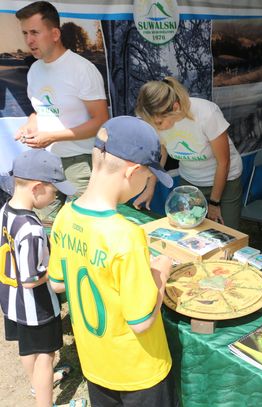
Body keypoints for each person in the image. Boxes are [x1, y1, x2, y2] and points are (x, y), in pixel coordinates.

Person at [48, 116, 178, 406]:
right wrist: (161, 273)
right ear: (132, 171)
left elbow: (57, 283)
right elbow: (142, 321)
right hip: (140, 370)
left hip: (96, 364)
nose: (147, 182)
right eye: (148, 175)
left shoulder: (65, 215)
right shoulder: (126, 235)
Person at [14, 1, 109, 223]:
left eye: (35, 32)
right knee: (45, 224)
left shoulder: (82, 69)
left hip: (80, 162)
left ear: (55, 33)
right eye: (25, 33)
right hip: (46, 161)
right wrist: (30, 124)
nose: (29, 40)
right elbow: (40, 111)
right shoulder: (35, 69)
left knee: (83, 226)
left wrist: (52, 136)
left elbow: (101, 121)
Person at [0, 149, 80, 407]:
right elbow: (33, 278)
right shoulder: (32, 229)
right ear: (36, 188)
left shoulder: (6, 209)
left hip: (12, 300)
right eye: (55, 191)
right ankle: (45, 402)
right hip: (36, 305)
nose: (57, 195)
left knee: (27, 347)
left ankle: (37, 386)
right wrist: (63, 268)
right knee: (46, 355)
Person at [134, 76, 243, 229]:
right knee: (189, 230)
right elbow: (161, 154)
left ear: (176, 107)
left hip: (225, 181)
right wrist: (150, 187)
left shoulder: (206, 114)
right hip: (190, 181)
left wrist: (214, 203)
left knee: (226, 232)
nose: (156, 128)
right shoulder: (155, 119)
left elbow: (223, 162)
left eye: (158, 123)